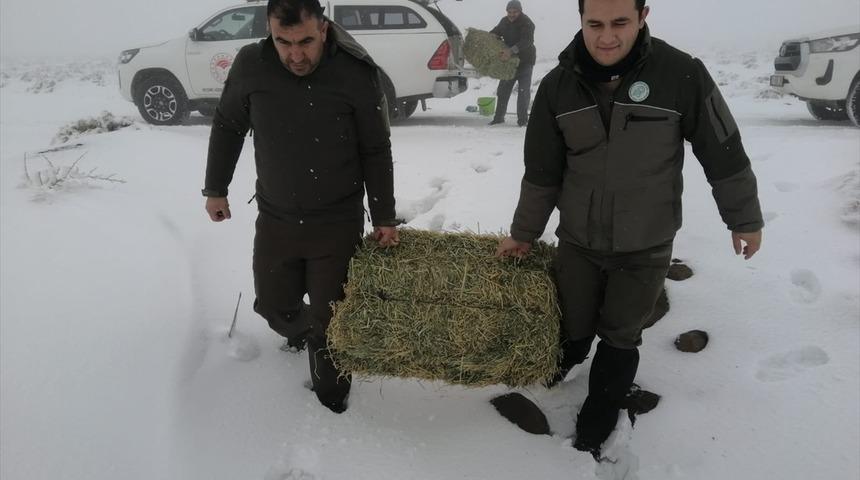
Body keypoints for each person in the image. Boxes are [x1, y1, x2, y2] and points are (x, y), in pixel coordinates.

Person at [496, 0, 763, 459]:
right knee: (574, 323)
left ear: (643, 17)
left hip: (646, 243)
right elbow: (542, 171)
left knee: (620, 335)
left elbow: (722, 149)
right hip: (578, 241)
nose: (606, 37)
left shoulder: (681, 74)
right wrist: (524, 232)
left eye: (620, 22)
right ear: (581, 21)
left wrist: (744, 218)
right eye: (595, 24)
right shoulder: (558, 86)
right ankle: (560, 367)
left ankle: (595, 426)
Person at [202, 0, 400, 414]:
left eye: (306, 41)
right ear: (269, 32)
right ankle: (302, 330)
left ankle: (332, 396)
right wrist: (216, 188)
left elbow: (376, 148)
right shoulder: (252, 65)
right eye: (283, 42)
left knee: (332, 322)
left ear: (323, 29)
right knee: (273, 306)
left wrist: (384, 216)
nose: (295, 55)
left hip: (337, 221)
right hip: (277, 217)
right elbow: (228, 124)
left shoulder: (355, 72)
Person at [488, 0, 536, 127]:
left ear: (520, 11)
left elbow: (527, 41)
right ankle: (498, 118)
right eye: (509, 12)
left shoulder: (527, 23)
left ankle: (522, 121)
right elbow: (496, 31)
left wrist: (511, 51)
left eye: (515, 12)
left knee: (523, 92)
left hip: (525, 61)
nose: (512, 15)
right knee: (503, 90)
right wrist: (491, 35)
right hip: (509, 63)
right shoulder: (504, 21)